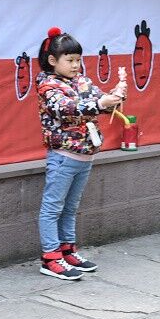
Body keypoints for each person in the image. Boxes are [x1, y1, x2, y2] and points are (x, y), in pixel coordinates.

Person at [35, 27, 126, 280]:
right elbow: (65, 108)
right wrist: (100, 103)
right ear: (53, 60)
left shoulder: (82, 81)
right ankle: (50, 257)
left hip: (85, 156)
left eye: (78, 60)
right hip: (63, 156)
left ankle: (67, 251)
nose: (76, 65)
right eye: (70, 60)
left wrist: (115, 97)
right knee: (52, 208)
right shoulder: (47, 85)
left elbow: (100, 102)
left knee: (70, 207)